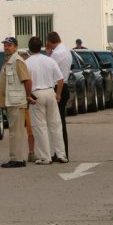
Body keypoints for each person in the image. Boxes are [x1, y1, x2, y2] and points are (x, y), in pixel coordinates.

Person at [24, 36, 68, 164]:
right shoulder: (50, 60)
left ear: (29, 48)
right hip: (50, 92)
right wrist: (58, 94)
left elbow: (27, 81)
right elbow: (60, 79)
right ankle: (61, 155)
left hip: (36, 94)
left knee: (39, 126)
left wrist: (28, 95)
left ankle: (45, 157)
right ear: (41, 47)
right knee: (55, 124)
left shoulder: (27, 63)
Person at [0, 37, 34, 168]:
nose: (6, 47)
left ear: (16, 47)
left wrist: (28, 96)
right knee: (13, 132)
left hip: (16, 102)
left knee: (16, 132)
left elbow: (27, 80)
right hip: (11, 101)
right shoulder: (8, 61)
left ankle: (18, 159)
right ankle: (15, 158)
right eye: (5, 45)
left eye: (9, 45)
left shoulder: (17, 61)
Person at [46, 31, 71, 159]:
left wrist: (48, 54)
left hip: (58, 87)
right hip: (65, 85)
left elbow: (50, 69)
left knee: (57, 122)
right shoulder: (66, 50)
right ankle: (61, 151)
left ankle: (61, 152)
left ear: (49, 42)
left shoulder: (56, 54)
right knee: (60, 121)